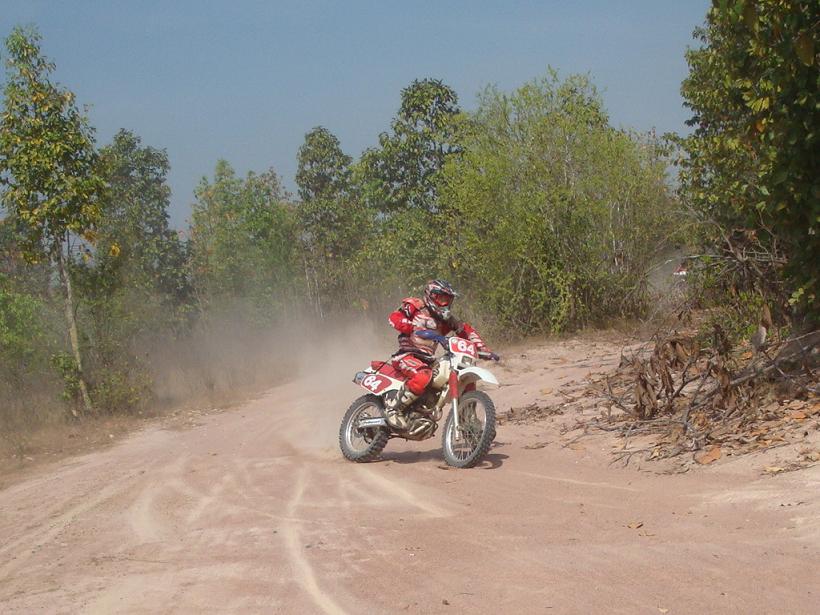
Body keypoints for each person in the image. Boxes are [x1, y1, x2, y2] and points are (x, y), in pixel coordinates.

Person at [384, 279, 496, 436]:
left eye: (448, 300)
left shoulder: (446, 320)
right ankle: (393, 409)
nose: (445, 303)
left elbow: (466, 331)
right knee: (423, 376)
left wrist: (483, 349)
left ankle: (467, 418)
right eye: (441, 298)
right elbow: (394, 317)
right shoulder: (416, 306)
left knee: (462, 377)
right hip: (407, 355)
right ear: (431, 295)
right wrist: (410, 327)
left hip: (428, 360)